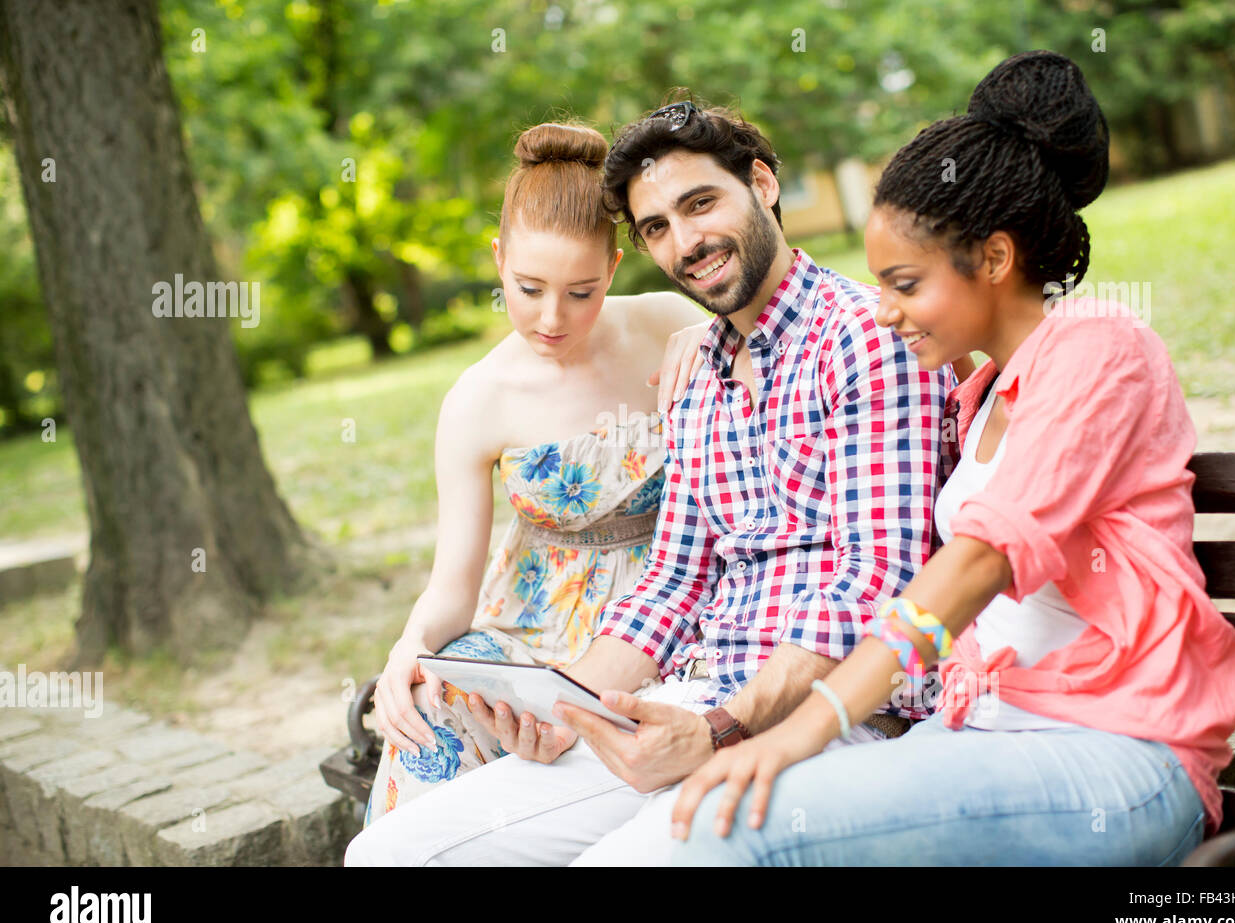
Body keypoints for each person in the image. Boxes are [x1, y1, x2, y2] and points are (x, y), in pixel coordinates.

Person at [669, 50, 1235, 866]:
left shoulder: (1102, 348)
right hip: (981, 735)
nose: (883, 313)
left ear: (996, 258)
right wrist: (689, 336)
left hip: (1116, 751)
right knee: (695, 827)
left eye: (904, 284)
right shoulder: (976, 392)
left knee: (736, 829)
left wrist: (804, 728)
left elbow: (982, 558)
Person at [345, 98, 956, 865]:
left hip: (833, 716)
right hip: (686, 700)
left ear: (762, 183)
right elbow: (672, 583)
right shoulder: (697, 372)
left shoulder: (865, 337)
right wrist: (573, 708)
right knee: (390, 855)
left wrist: (719, 728)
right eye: (659, 227)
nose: (687, 242)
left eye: (700, 204)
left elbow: (880, 588)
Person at [361, 120, 710, 825]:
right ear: (498, 261)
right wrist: (411, 644)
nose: (553, 318)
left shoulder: (668, 321)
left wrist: (712, 337)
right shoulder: (477, 400)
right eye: (529, 288)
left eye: (582, 292)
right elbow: (452, 587)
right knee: (434, 705)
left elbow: (759, 348)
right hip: (536, 632)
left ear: (613, 270)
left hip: (676, 606)